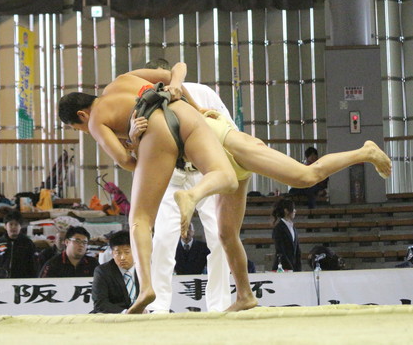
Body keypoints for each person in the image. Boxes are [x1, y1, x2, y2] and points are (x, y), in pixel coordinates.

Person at [60, 63, 392, 313]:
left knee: (304, 176)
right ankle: (245, 296)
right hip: (198, 149)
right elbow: (177, 78)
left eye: (79, 128)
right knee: (225, 233)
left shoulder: (120, 111)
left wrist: (138, 138)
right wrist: (174, 101)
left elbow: (131, 158)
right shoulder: (136, 87)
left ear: (81, 115)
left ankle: (363, 151)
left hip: (221, 140)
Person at [59, 63, 241, 313]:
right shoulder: (125, 80)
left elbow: (125, 161)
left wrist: (135, 144)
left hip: (174, 156)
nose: (83, 131)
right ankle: (160, 305)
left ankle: (152, 290)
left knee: (141, 221)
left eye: (76, 128)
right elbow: (178, 69)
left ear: (81, 115)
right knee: (166, 239)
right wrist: (188, 101)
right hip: (188, 151)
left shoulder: (97, 119)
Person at [144, 58, 231, 313]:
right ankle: (158, 305)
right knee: (162, 239)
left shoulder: (202, 92)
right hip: (170, 175)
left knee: (220, 237)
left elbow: (228, 129)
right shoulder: (144, 101)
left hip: (205, 173)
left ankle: (219, 305)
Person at [91, 230, 139, 314]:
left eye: (127, 252)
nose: (122, 257)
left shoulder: (145, 269)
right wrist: (126, 312)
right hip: (115, 315)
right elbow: (100, 303)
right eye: (118, 253)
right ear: (112, 254)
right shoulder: (103, 271)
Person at [0, 210, 39, 278]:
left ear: (21, 226)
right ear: (5, 226)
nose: (13, 227)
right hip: (2, 281)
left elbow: (34, 266)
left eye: (16, 224)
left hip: (22, 281)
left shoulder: (28, 244)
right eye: (11, 224)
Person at [271, 198, 302, 271]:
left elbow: (297, 250)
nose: (295, 211)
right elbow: (280, 250)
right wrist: (290, 267)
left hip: (294, 267)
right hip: (282, 267)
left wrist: (298, 268)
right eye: (293, 209)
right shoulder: (278, 228)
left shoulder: (293, 228)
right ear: (286, 210)